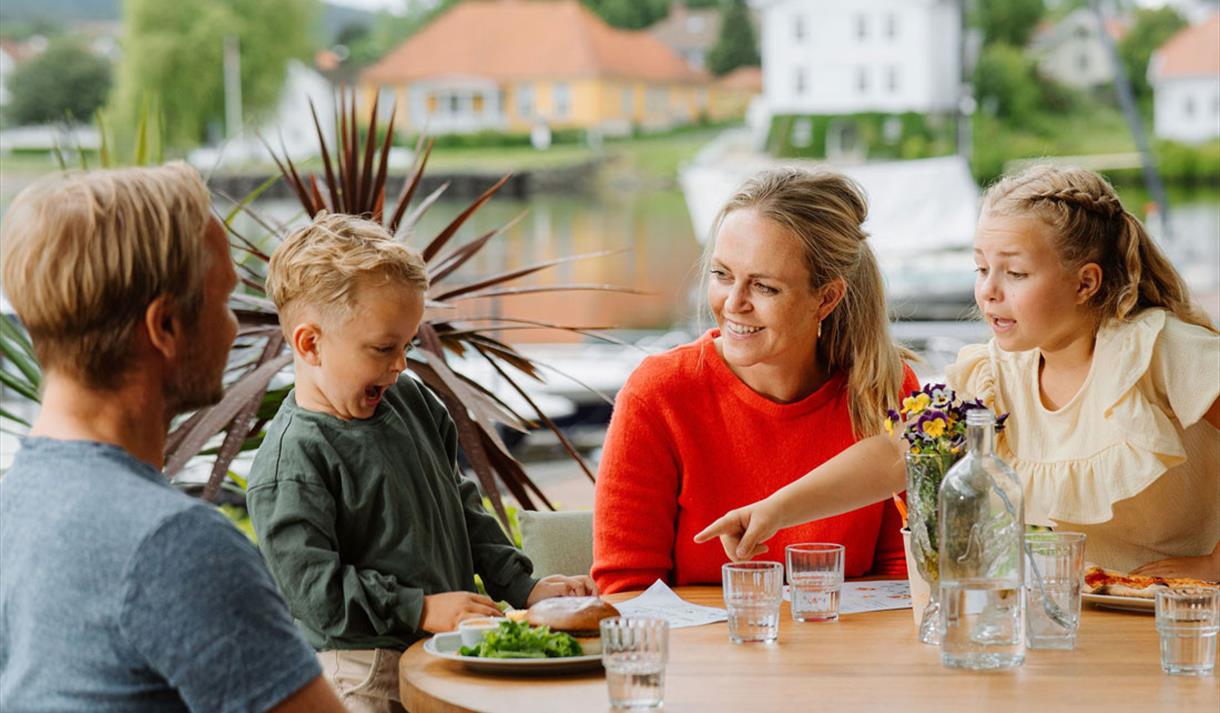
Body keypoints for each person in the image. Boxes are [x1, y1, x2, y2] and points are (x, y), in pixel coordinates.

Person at [697, 165, 1220, 581]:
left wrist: (1213, 565)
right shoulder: (996, 373)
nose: (988, 291)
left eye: (1015, 273)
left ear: (1085, 283)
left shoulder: (1156, 349)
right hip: (1085, 611)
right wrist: (775, 510)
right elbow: (901, 453)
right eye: (981, 268)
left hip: (1191, 613)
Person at [0, 164, 345, 711]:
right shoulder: (175, 546)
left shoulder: (15, 505)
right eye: (224, 300)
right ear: (164, 327)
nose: (235, 328)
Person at [246, 212, 596, 713]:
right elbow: (315, 593)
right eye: (383, 348)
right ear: (310, 344)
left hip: (444, 651)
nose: (401, 363)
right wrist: (420, 608)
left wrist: (523, 586)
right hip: (362, 673)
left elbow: (463, 507)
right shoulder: (291, 463)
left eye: (407, 344)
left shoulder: (412, 401)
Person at [592, 168, 920, 594]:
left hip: (849, 639)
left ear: (826, 298)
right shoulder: (658, 393)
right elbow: (627, 588)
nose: (733, 303)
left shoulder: (885, 390)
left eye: (764, 287)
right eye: (722, 274)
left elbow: (903, 577)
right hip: (701, 640)